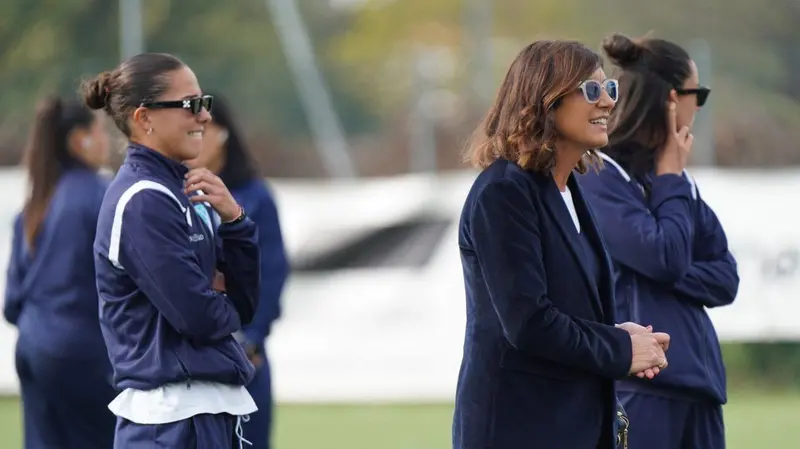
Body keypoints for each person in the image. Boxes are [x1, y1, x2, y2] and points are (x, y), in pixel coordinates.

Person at [452, 40, 671, 449]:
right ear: (545, 101)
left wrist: (616, 332)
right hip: (518, 430)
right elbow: (529, 323)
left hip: (573, 426)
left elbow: (565, 307)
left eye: (610, 89)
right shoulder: (503, 193)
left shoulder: (568, 190)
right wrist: (620, 348)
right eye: (591, 89)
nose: (607, 101)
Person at [83, 52, 261, 449]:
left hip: (201, 412)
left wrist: (235, 221)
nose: (205, 116)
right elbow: (198, 317)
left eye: (204, 103)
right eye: (190, 104)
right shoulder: (143, 199)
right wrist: (220, 301)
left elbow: (245, 303)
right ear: (144, 117)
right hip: (169, 422)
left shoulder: (187, 192)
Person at [579, 33, 739, 449]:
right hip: (641, 387)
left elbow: (725, 279)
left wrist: (657, 264)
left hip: (700, 387)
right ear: (671, 99)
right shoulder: (600, 175)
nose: (698, 107)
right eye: (696, 94)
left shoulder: (676, 179)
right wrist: (670, 178)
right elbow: (665, 257)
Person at [3, 95, 115, 449]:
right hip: (83, 352)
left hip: (32, 348)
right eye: (100, 131)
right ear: (79, 140)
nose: (107, 140)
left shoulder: (35, 205)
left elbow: (11, 303)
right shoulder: (103, 196)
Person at [186, 92, 290, 449]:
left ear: (224, 134)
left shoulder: (254, 196)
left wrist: (254, 336)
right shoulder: (171, 194)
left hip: (242, 349)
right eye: (190, 130)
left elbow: (272, 270)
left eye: (203, 130)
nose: (196, 139)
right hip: (191, 355)